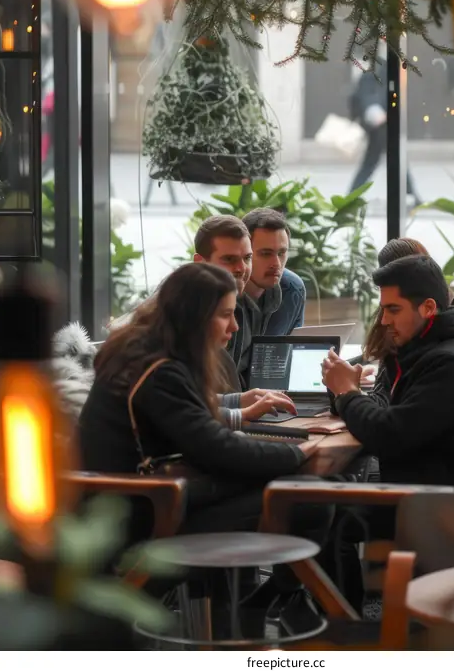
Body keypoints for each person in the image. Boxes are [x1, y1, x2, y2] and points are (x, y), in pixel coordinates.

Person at [79, 263, 326, 634]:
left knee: (305, 490)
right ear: (193, 317)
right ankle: (269, 606)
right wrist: (298, 453)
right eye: (226, 315)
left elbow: (201, 435)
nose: (235, 326)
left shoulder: (148, 354)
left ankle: (254, 610)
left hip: (144, 498)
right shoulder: (159, 369)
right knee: (310, 497)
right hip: (149, 513)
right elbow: (214, 448)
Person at [320, 254, 454, 609]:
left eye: (393, 309)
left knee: (329, 513)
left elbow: (389, 434)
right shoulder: (430, 351)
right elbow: (391, 416)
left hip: (443, 508)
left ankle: (344, 631)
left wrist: (347, 393)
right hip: (432, 492)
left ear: (428, 308)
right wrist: (346, 393)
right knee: (331, 499)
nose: (384, 320)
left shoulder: (449, 363)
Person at [193, 215, 279, 383]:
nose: (242, 268)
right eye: (229, 259)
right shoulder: (179, 311)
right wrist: (239, 406)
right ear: (200, 262)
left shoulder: (247, 306)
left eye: (247, 258)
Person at [349, 59, 421, 204]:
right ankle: (413, 195)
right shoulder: (380, 69)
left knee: (378, 161)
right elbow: (369, 93)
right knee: (386, 161)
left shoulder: (381, 69)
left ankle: (351, 195)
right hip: (380, 124)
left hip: (381, 123)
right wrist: (375, 112)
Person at [242, 208, 306, 335]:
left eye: (282, 253)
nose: (276, 264)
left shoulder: (292, 289)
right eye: (266, 254)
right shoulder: (222, 294)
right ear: (244, 253)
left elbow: (295, 350)